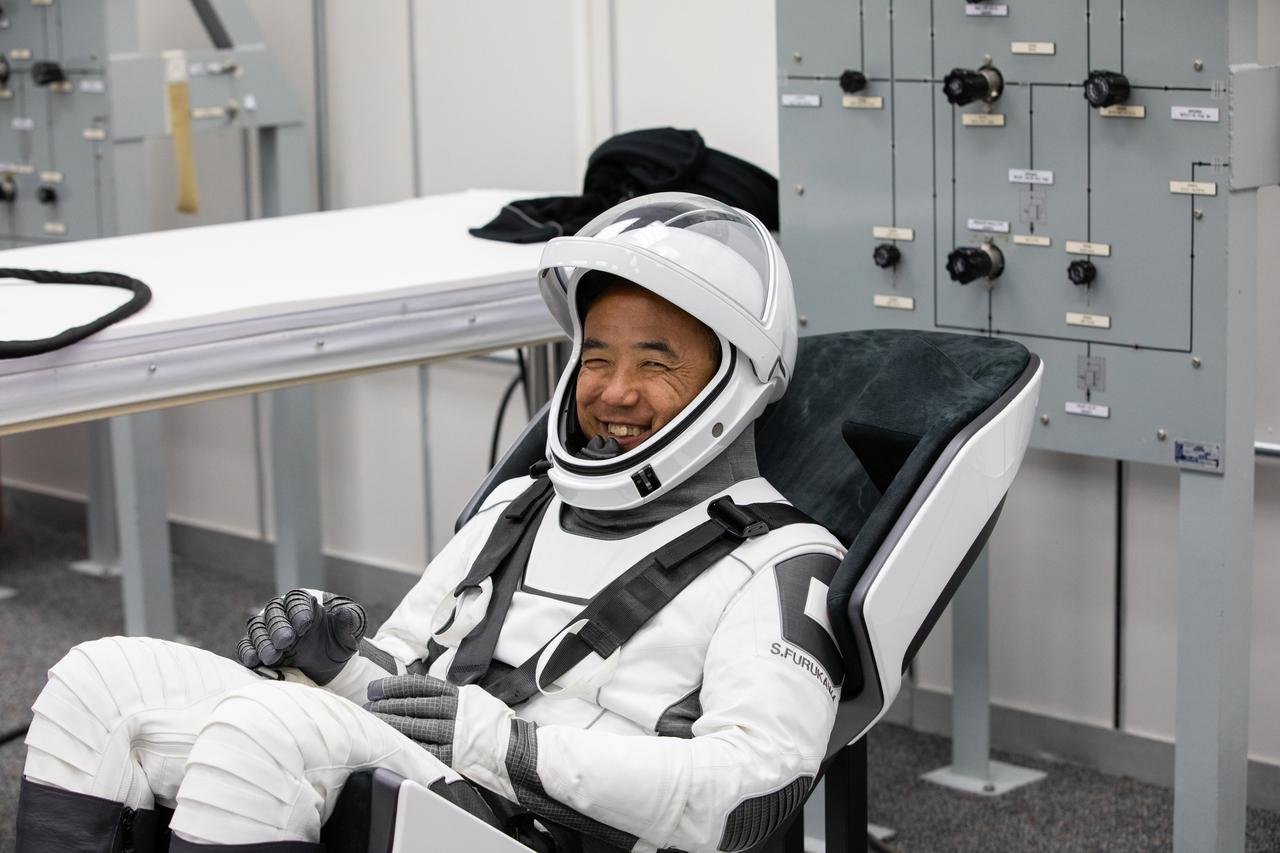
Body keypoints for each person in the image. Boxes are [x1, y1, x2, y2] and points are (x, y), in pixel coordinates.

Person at [16, 193, 846, 853]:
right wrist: (334, 663)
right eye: (597, 357)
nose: (614, 390)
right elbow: (405, 675)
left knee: (267, 732)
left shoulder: (784, 561)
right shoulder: (522, 504)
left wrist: (504, 743)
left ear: (735, 380)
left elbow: (753, 792)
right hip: (443, 781)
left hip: (558, 827)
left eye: (655, 361)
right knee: (98, 680)